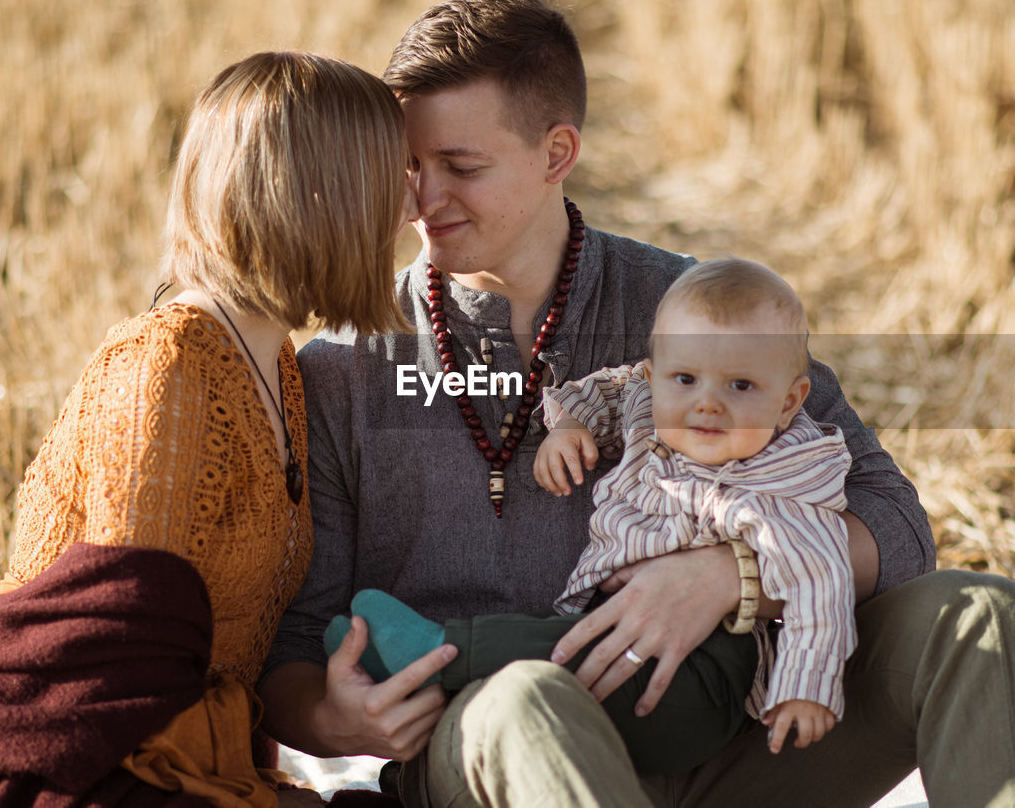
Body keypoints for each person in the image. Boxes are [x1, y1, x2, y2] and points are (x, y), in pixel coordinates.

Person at [260, 0, 1015, 808]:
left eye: (461, 167)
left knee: (977, 614)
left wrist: (733, 576)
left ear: (557, 154)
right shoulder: (343, 367)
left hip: (731, 737)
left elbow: (897, 522)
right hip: (495, 755)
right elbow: (294, 648)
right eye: (410, 167)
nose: (425, 200)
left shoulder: (693, 309)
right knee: (525, 698)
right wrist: (337, 722)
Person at [0, 51, 413, 807]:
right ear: (325, 198)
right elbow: (121, 662)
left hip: (184, 764)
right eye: (394, 177)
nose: (413, 205)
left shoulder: (283, 371)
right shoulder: (166, 367)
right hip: (74, 767)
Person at [339, 258, 856, 773]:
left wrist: (804, 690)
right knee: (550, 645)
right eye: (685, 379)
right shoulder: (649, 406)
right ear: (657, 378)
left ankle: (434, 654)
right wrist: (566, 425)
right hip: (616, 643)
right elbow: (608, 389)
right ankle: (444, 711)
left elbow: (822, 585)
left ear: (789, 402)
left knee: (554, 648)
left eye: (740, 386)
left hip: (699, 678)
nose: (707, 404)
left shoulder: (785, 488)